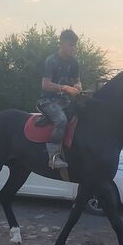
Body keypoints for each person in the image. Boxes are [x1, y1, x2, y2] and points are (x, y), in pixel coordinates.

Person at [37, 29, 82, 169]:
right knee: (61, 120)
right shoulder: (51, 61)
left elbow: (78, 81)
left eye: (75, 45)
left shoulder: (74, 63)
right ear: (62, 43)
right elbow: (45, 85)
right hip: (48, 101)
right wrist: (65, 88)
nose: (74, 49)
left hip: (65, 102)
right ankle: (53, 157)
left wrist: (78, 86)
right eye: (71, 45)